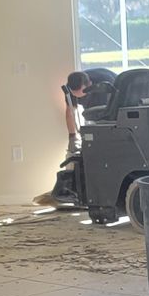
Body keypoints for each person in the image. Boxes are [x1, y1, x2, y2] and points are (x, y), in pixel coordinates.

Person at [35, 69, 113, 207]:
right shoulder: (71, 90)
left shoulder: (104, 84)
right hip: (95, 115)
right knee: (77, 151)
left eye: (82, 95)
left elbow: (106, 114)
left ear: (89, 85)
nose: (80, 98)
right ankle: (72, 190)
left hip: (109, 113)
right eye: (77, 95)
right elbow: (71, 112)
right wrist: (72, 136)